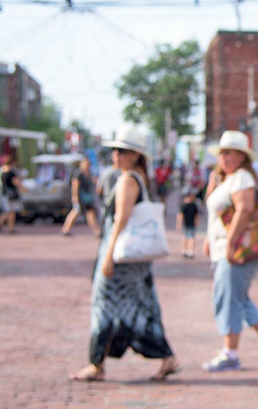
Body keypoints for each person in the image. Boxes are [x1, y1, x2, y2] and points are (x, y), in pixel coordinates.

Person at [70, 128, 178, 382]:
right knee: (142, 306)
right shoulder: (139, 178)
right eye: (114, 151)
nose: (115, 156)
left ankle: (96, 363)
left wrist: (107, 255)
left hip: (122, 256)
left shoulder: (128, 179)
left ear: (135, 155)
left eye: (122, 151)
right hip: (134, 258)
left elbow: (121, 219)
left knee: (104, 306)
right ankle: (166, 357)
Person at [202, 130, 258, 372]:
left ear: (241, 156)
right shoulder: (228, 178)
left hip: (237, 248)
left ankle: (231, 353)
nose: (223, 157)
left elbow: (244, 209)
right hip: (227, 247)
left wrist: (230, 242)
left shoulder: (241, 178)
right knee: (238, 296)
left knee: (227, 298)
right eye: (221, 153)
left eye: (228, 153)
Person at [61, 158, 101, 238]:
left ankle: (96, 231)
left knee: (90, 213)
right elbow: (75, 185)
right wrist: (75, 196)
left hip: (88, 198)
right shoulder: (78, 174)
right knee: (75, 212)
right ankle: (65, 229)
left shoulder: (89, 173)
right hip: (80, 198)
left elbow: (95, 182)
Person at [0, 156, 25, 234]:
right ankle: (10, 228)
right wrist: (24, 188)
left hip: (5, 193)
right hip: (12, 194)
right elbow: (17, 182)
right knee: (12, 212)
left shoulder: (2, 172)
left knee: (7, 211)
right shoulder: (11, 173)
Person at [177, 191, 199, 259]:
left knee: (187, 237)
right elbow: (180, 215)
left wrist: (178, 224)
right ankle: (188, 251)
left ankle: (186, 250)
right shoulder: (190, 205)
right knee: (188, 237)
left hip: (188, 224)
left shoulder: (187, 205)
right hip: (188, 224)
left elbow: (180, 215)